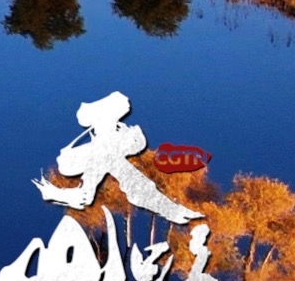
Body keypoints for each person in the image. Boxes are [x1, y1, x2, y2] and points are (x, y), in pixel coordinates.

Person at [34, 91, 200, 225]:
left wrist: (132, 132)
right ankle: (170, 210)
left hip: (106, 159)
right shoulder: (100, 149)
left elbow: (137, 145)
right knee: (119, 178)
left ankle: (170, 210)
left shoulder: (115, 142)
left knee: (123, 178)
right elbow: (135, 146)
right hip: (97, 158)